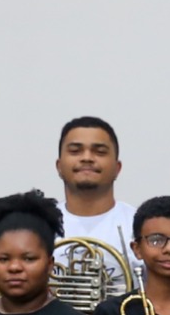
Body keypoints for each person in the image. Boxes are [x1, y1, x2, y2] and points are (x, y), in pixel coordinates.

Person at [55, 117, 137, 298]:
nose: (87, 158)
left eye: (99, 152)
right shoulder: (40, 225)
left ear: (117, 168)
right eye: (75, 151)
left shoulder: (139, 224)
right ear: (59, 166)